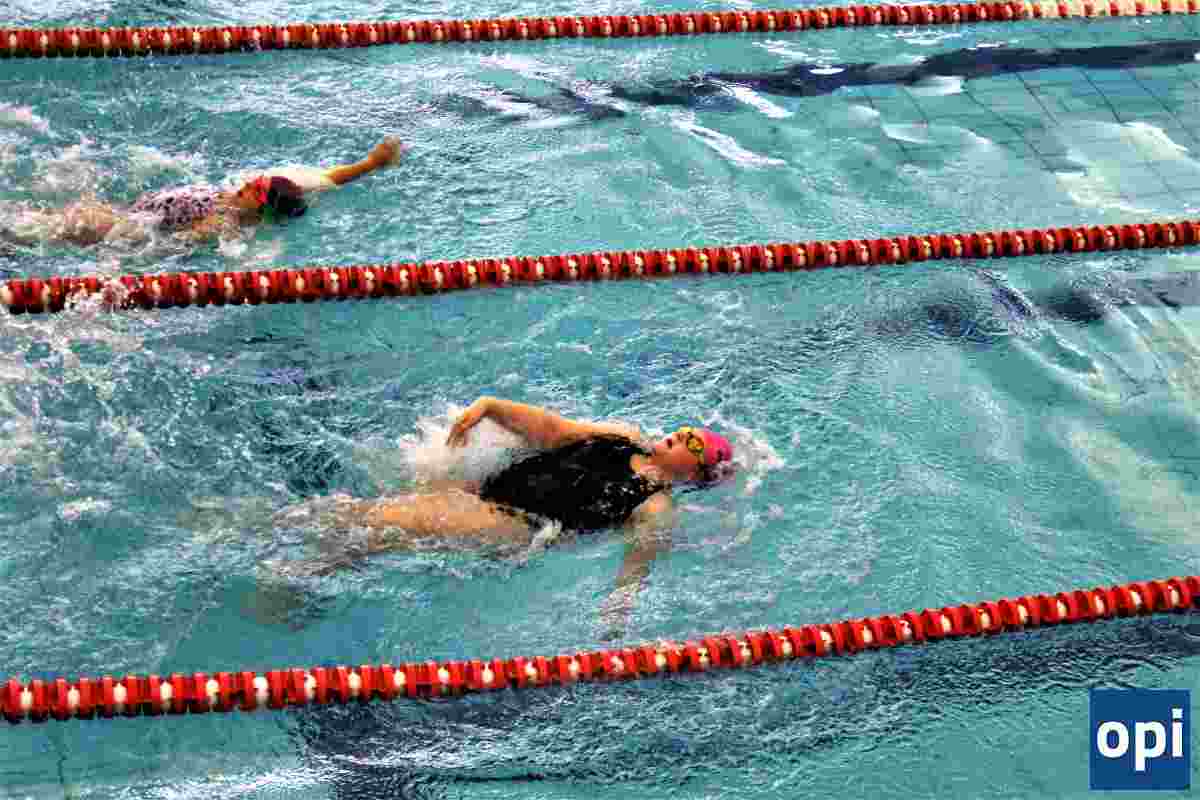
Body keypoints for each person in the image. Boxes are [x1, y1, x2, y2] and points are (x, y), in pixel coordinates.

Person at [317, 397, 735, 635]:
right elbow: (554, 431)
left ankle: (311, 577)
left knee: (370, 521)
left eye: (694, 444)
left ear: (696, 474)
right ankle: (322, 570)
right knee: (362, 521)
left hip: (517, 524)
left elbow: (637, 565)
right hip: (490, 489)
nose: (684, 434)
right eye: (687, 430)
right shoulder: (623, 437)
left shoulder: (656, 506)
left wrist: (615, 616)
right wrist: (493, 407)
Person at [1, 136, 407, 248]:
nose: (248, 183)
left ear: (261, 205)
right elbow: (328, 179)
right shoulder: (258, 198)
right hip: (127, 209)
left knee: (35, 229)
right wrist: (371, 163)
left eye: (256, 188)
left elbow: (171, 245)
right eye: (256, 180)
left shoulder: (224, 221)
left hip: (121, 226)